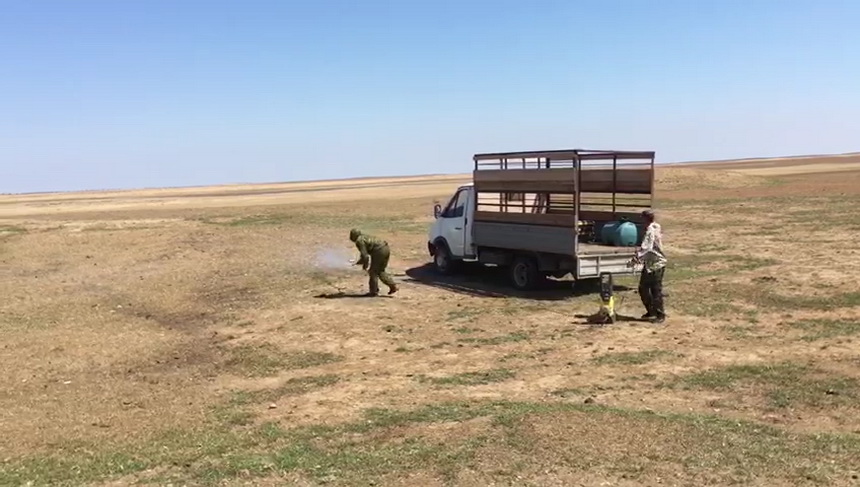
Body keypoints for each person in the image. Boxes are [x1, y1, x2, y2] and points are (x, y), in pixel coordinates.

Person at [632, 210, 667, 323]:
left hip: (656, 264)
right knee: (644, 288)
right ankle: (652, 311)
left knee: (655, 290)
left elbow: (646, 248)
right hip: (652, 264)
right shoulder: (656, 226)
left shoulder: (650, 231)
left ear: (645, 219)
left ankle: (660, 314)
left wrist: (637, 257)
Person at [349, 228, 399, 296]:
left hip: (378, 251)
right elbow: (364, 255)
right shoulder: (364, 237)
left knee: (373, 272)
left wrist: (364, 266)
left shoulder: (359, 241)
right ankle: (392, 286)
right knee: (380, 271)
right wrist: (360, 262)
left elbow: (365, 256)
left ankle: (373, 291)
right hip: (385, 248)